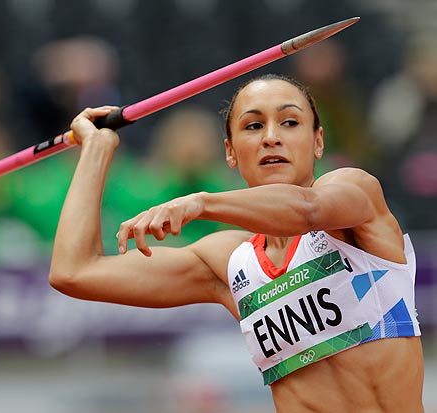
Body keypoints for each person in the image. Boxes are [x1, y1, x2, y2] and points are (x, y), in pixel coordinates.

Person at [48, 74, 424, 412]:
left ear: (318, 142)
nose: (271, 136)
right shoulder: (230, 263)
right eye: (253, 125)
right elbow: (75, 271)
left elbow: (307, 209)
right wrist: (96, 151)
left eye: (290, 122)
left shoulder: (355, 196)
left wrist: (201, 202)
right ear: (230, 151)